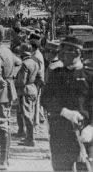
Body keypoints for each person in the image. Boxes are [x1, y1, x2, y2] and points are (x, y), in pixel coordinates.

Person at [41, 36, 93, 171]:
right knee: (61, 168)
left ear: (77, 53)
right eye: (60, 53)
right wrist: (64, 111)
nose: (61, 56)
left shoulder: (89, 76)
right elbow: (45, 99)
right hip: (60, 132)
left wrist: (91, 127)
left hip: (84, 134)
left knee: (85, 168)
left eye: (65, 53)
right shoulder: (56, 74)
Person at [0, 24, 22, 170]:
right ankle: (4, 158)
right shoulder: (7, 50)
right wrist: (11, 76)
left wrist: (0, 78)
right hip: (8, 89)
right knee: (4, 124)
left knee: (1, 125)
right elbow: (19, 62)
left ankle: (3, 161)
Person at [14, 43, 43, 147]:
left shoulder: (24, 64)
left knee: (27, 115)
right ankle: (29, 137)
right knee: (30, 113)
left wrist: (13, 81)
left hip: (25, 90)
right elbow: (40, 78)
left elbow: (21, 81)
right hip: (33, 88)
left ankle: (30, 139)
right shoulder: (35, 62)